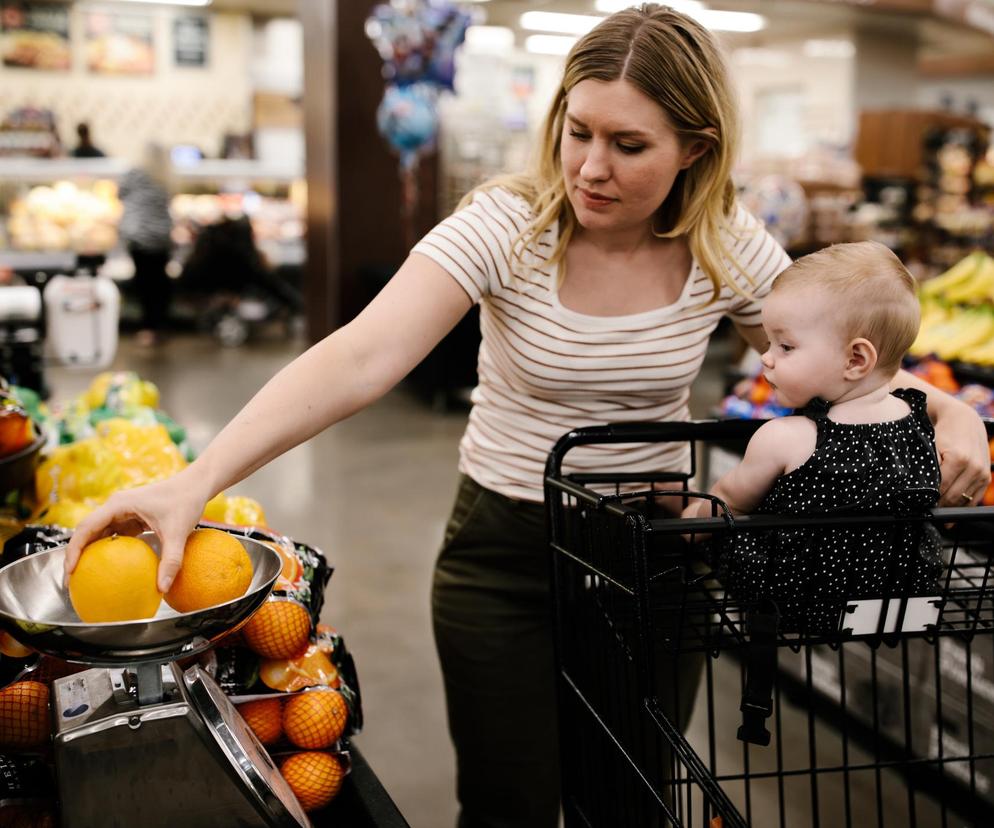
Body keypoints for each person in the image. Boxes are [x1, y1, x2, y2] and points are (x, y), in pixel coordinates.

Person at [65, 6, 990, 827]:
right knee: (506, 800)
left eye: (630, 146)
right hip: (502, 552)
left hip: (649, 549)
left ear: (694, 149)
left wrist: (947, 413)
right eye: (577, 131)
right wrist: (200, 478)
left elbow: (843, 361)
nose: (591, 167)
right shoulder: (508, 223)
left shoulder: (726, 243)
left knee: (631, 792)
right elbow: (364, 353)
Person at [683, 242, 945, 633]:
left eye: (785, 346)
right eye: (769, 343)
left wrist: (686, 522)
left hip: (797, 601)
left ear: (856, 360)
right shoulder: (918, 421)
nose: (765, 358)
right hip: (895, 597)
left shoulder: (786, 438)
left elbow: (726, 502)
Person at [117, 144, 173, 347]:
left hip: (139, 235)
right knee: (160, 284)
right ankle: (159, 326)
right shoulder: (165, 176)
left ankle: (149, 328)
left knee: (145, 284)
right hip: (161, 236)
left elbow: (120, 193)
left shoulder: (135, 173)